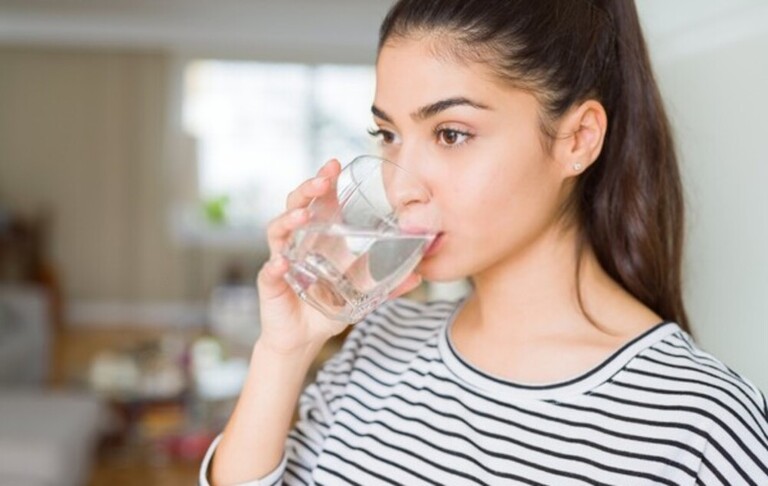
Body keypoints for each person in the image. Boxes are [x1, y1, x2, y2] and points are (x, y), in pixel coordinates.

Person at [201, 0, 768, 484]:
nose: (401, 187)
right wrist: (284, 350)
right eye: (389, 135)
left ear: (577, 138)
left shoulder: (699, 424)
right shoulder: (380, 342)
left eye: (451, 134)